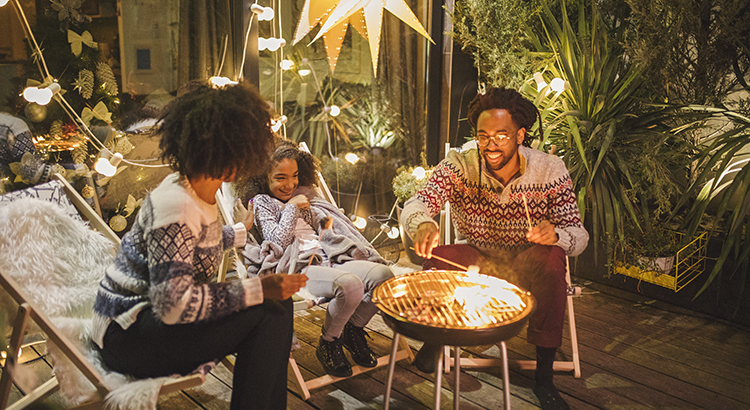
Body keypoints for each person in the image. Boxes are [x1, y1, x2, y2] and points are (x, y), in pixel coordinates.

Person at [91, 80, 307, 410]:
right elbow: (173, 304)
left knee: (281, 306)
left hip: (146, 322)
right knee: (267, 311)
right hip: (128, 335)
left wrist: (235, 233)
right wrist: (256, 289)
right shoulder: (175, 206)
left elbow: (185, 246)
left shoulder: (196, 187)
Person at [401, 87, 588, 410]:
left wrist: (555, 234)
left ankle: (544, 378)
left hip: (528, 259)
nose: (490, 144)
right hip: (479, 256)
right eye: (483, 135)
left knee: (553, 261)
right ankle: (435, 339)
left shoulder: (549, 169)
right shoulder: (461, 163)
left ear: (520, 135)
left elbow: (579, 235)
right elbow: (417, 201)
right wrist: (423, 223)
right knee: (438, 256)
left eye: (501, 136)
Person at [241, 140, 394, 378]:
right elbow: (276, 242)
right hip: (300, 267)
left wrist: (331, 221)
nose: (289, 184)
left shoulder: (306, 196)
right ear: (264, 177)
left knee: (384, 277)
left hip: (330, 258)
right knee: (350, 285)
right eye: (280, 177)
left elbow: (326, 228)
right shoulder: (262, 201)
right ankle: (329, 342)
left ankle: (353, 330)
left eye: (294, 176)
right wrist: (291, 208)